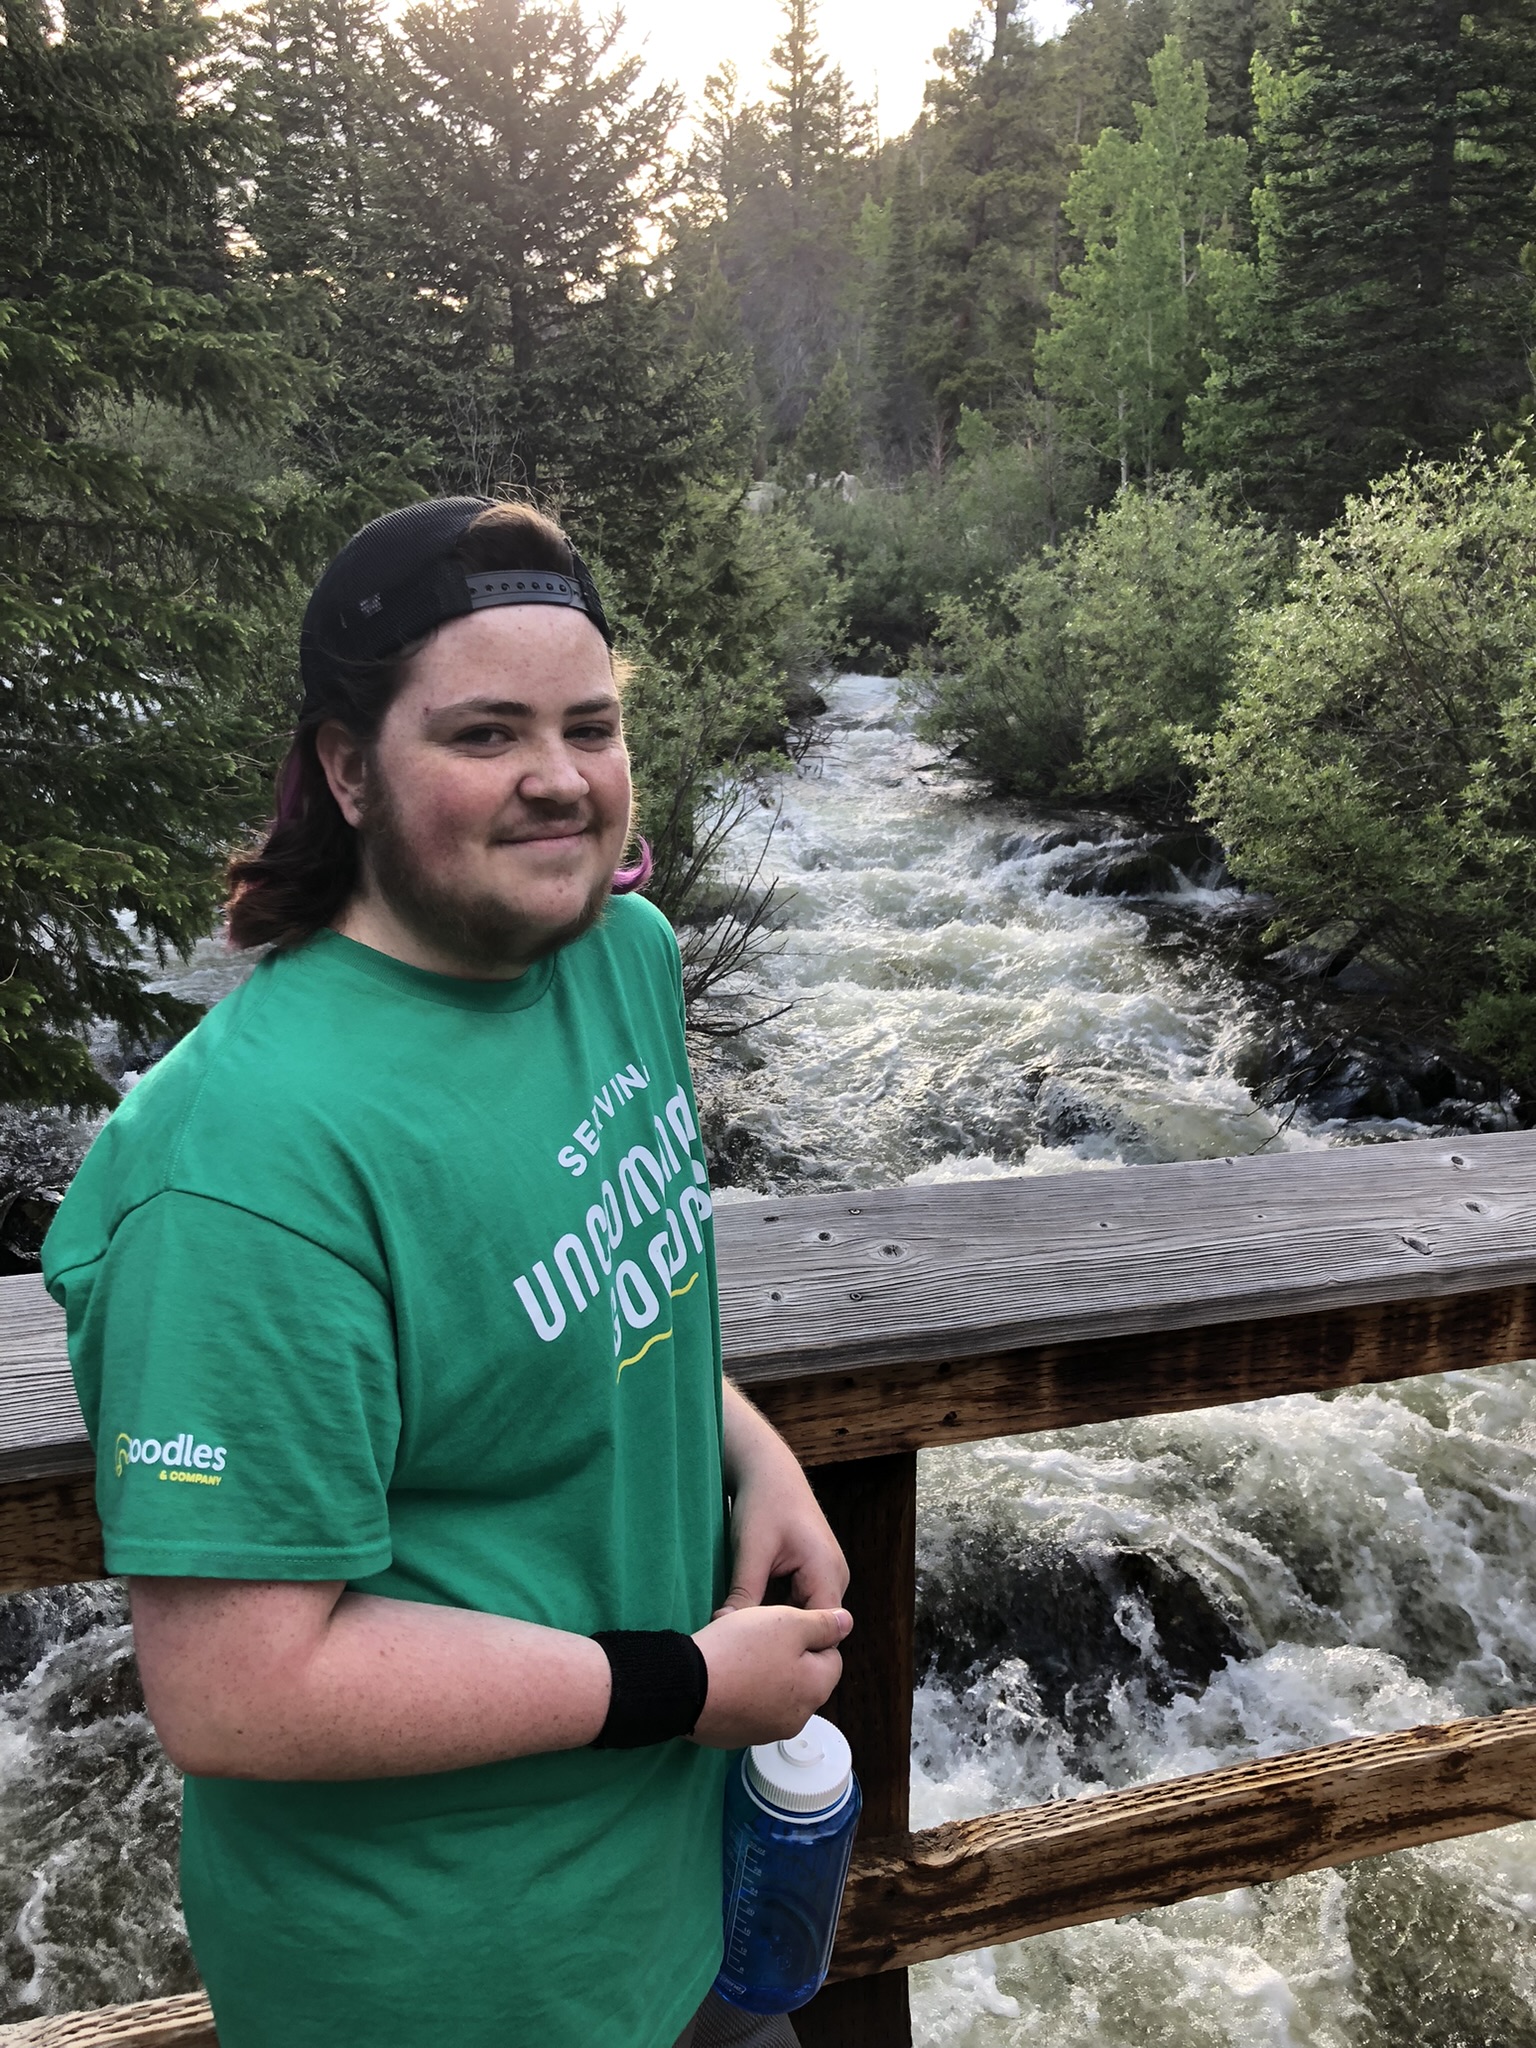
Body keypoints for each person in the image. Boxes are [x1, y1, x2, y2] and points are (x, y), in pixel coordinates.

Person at [42, 496, 853, 2048]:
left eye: (590, 725)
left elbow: (593, 1287)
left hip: (684, 1907)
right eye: (485, 733)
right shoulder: (240, 1166)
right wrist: (684, 1686)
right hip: (444, 1978)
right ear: (349, 769)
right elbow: (241, 1692)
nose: (559, 781)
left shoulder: (621, 960)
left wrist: (748, 1447)